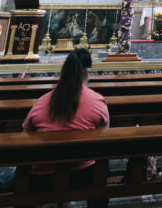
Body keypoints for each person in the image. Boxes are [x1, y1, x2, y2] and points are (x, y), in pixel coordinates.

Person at [23, 49, 109, 206]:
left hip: (42, 176)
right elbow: (104, 136)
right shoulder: (96, 101)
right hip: (81, 174)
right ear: (88, 72)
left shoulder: (42, 101)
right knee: (102, 167)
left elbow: (26, 133)